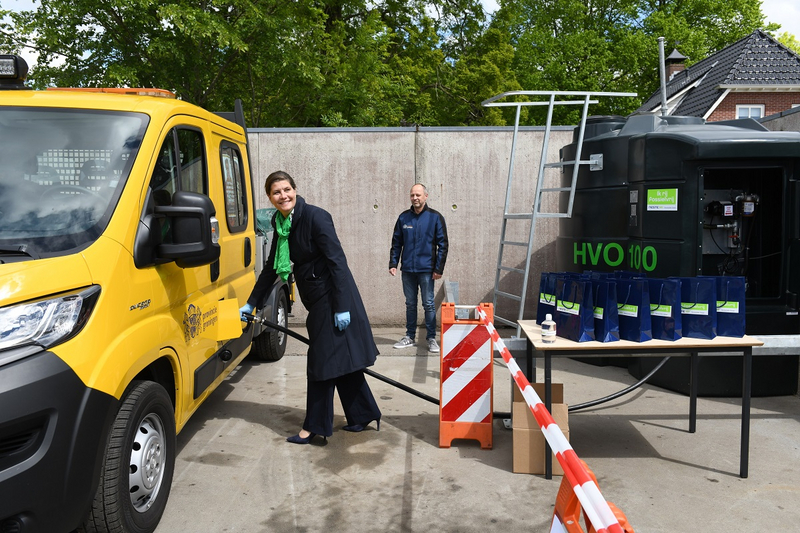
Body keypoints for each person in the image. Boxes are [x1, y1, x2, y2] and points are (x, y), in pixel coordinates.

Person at [240, 171, 381, 444]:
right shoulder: (281, 223)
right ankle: (363, 413)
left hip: (334, 299)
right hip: (317, 298)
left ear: (295, 189)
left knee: (321, 363)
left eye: (286, 189)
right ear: (269, 197)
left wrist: (342, 307)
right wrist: (252, 303)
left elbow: (338, 262)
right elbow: (271, 267)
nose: (283, 196)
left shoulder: (316, 217)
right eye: (276, 192)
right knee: (342, 362)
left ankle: (314, 427)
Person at [389, 183, 449, 353]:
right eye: (412, 195)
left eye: (418, 195)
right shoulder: (403, 218)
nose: (415, 198)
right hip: (407, 269)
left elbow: (443, 244)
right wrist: (393, 263)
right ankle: (409, 336)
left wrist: (438, 269)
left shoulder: (435, 217)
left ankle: (431, 338)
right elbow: (396, 243)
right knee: (410, 304)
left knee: (429, 304)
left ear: (425, 196)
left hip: (427, 270)